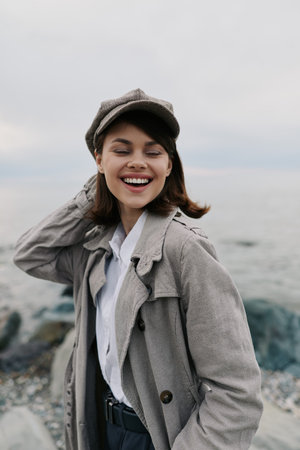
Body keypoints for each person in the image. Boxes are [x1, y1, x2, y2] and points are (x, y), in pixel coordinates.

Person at [14, 88, 263, 450]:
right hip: (98, 425)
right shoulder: (96, 247)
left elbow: (237, 392)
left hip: (159, 436)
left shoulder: (185, 249)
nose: (138, 162)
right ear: (98, 159)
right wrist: (92, 193)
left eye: (152, 152)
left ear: (169, 164)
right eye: (122, 150)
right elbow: (30, 254)